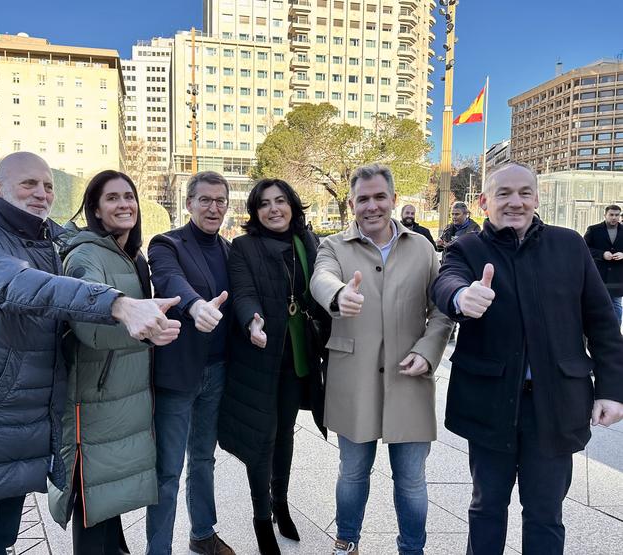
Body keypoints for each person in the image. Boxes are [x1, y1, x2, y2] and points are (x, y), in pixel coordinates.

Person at [0, 152, 181, 555]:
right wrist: (118, 304)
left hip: (19, 423)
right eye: (28, 184)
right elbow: (18, 285)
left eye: (47, 185)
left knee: (0, 543)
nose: (41, 194)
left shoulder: (44, 244)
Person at [431, 162, 623, 555]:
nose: (515, 202)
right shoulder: (468, 248)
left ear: (536, 199)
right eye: (503, 193)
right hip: (490, 403)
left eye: (524, 193)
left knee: (545, 513)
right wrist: (462, 297)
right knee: (486, 508)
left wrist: (612, 391)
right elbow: (445, 281)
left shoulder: (569, 245)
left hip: (555, 405)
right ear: (484, 202)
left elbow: (603, 323)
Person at [310, 163, 453, 555]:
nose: (371, 206)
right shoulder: (333, 246)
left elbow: (440, 309)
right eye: (362, 199)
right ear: (352, 203)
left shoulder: (423, 248)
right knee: (353, 472)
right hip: (353, 378)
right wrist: (338, 295)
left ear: (392, 199)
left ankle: (412, 548)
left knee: (411, 478)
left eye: (379, 197)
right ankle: (347, 540)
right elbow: (320, 278)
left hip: (409, 377)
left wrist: (428, 352)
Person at [47, 170, 177, 553]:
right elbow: (89, 327)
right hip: (95, 399)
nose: (124, 205)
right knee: (93, 500)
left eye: (129, 196)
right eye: (113, 198)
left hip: (124, 395)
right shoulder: (85, 255)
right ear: (96, 210)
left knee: (110, 496)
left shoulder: (130, 254)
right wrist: (147, 328)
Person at [218, 178, 330, 555]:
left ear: (293, 205)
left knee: (285, 434)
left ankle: (280, 502)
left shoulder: (307, 242)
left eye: (280, 201)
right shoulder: (244, 246)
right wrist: (252, 320)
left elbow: (321, 290)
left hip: (297, 357)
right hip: (259, 355)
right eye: (264, 204)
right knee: (261, 438)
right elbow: (243, 291)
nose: (273, 209)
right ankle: (261, 518)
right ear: (255, 212)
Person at [146, 171, 235, 555]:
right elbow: (168, 279)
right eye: (205, 200)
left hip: (216, 371)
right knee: (168, 470)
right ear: (189, 203)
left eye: (220, 201)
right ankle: (159, 549)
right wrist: (195, 305)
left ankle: (202, 534)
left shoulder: (231, 249)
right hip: (178, 374)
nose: (213, 208)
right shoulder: (167, 243)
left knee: (203, 458)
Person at [584, 204, 623, 326]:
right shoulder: (594, 230)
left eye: (617, 215)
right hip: (598, 274)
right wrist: (602, 254)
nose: (614, 218)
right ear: (605, 215)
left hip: (618, 275)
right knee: (597, 303)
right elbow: (584, 248)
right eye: (611, 214)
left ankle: (615, 333)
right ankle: (599, 331)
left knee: (616, 304)